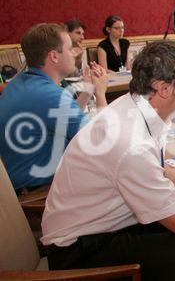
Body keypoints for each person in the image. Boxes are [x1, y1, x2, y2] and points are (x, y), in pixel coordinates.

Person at [41, 40, 175, 281]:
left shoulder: (134, 105)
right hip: (79, 252)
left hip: (103, 226)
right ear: (165, 89)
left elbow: (146, 165)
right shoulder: (131, 144)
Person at [0, 23, 108, 192]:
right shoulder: (50, 95)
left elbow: (61, 117)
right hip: (41, 190)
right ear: (54, 56)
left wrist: (87, 92)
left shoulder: (19, 84)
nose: (74, 53)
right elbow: (101, 143)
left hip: (17, 181)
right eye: (70, 48)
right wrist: (101, 93)